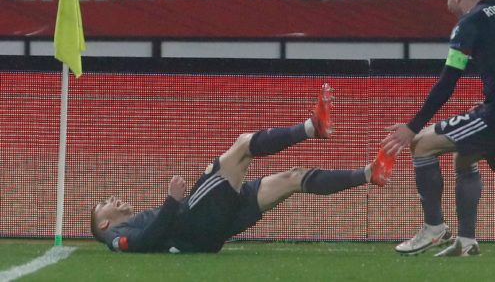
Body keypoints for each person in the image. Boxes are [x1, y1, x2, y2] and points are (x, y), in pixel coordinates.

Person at [91, 84, 389, 253]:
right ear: (104, 223)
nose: (112, 200)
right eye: (105, 205)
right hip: (195, 223)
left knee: (292, 178)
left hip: (210, 231)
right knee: (242, 146)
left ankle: (368, 173)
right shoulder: (116, 237)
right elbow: (145, 242)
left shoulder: (123, 226)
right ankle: (313, 127)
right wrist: (172, 200)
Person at [381, 0, 495, 257]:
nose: (447, 5)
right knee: (465, 156)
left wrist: (412, 126)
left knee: (422, 144)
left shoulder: (469, 23)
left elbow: (448, 81)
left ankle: (433, 228)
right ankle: (466, 242)